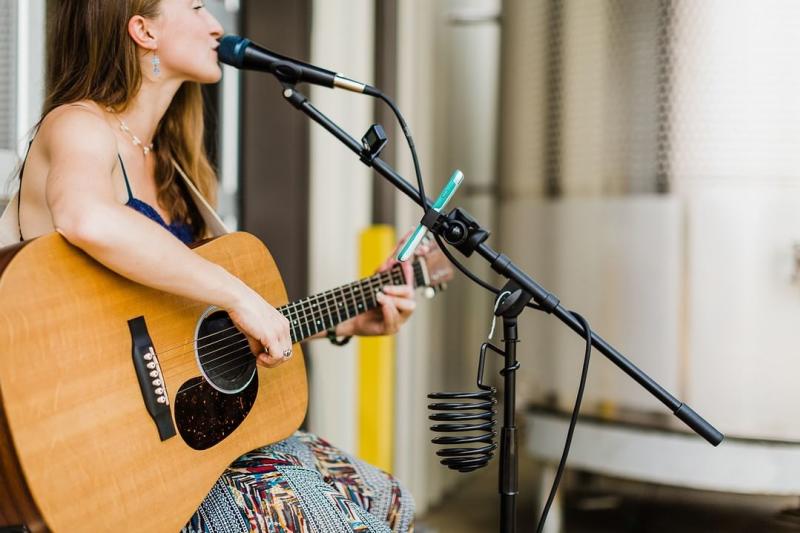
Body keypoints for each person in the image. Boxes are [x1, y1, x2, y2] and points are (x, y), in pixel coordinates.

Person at [11, 1, 417, 531]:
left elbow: (194, 335)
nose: (217, 26)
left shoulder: (178, 168)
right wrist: (239, 294)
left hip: (183, 451)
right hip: (96, 451)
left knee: (390, 500)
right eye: (198, 6)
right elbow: (86, 217)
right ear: (143, 29)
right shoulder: (79, 126)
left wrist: (343, 321)